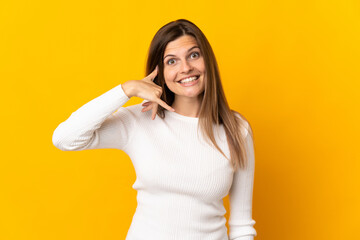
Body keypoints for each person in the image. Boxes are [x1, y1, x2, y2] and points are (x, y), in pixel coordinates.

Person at [52, 19, 257, 240]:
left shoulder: (237, 129)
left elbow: (241, 226)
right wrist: (126, 89)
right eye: (171, 61)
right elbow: (65, 138)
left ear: (208, 60)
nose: (185, 68)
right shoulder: (140, 120)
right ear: (159, 72)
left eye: (194, 55)